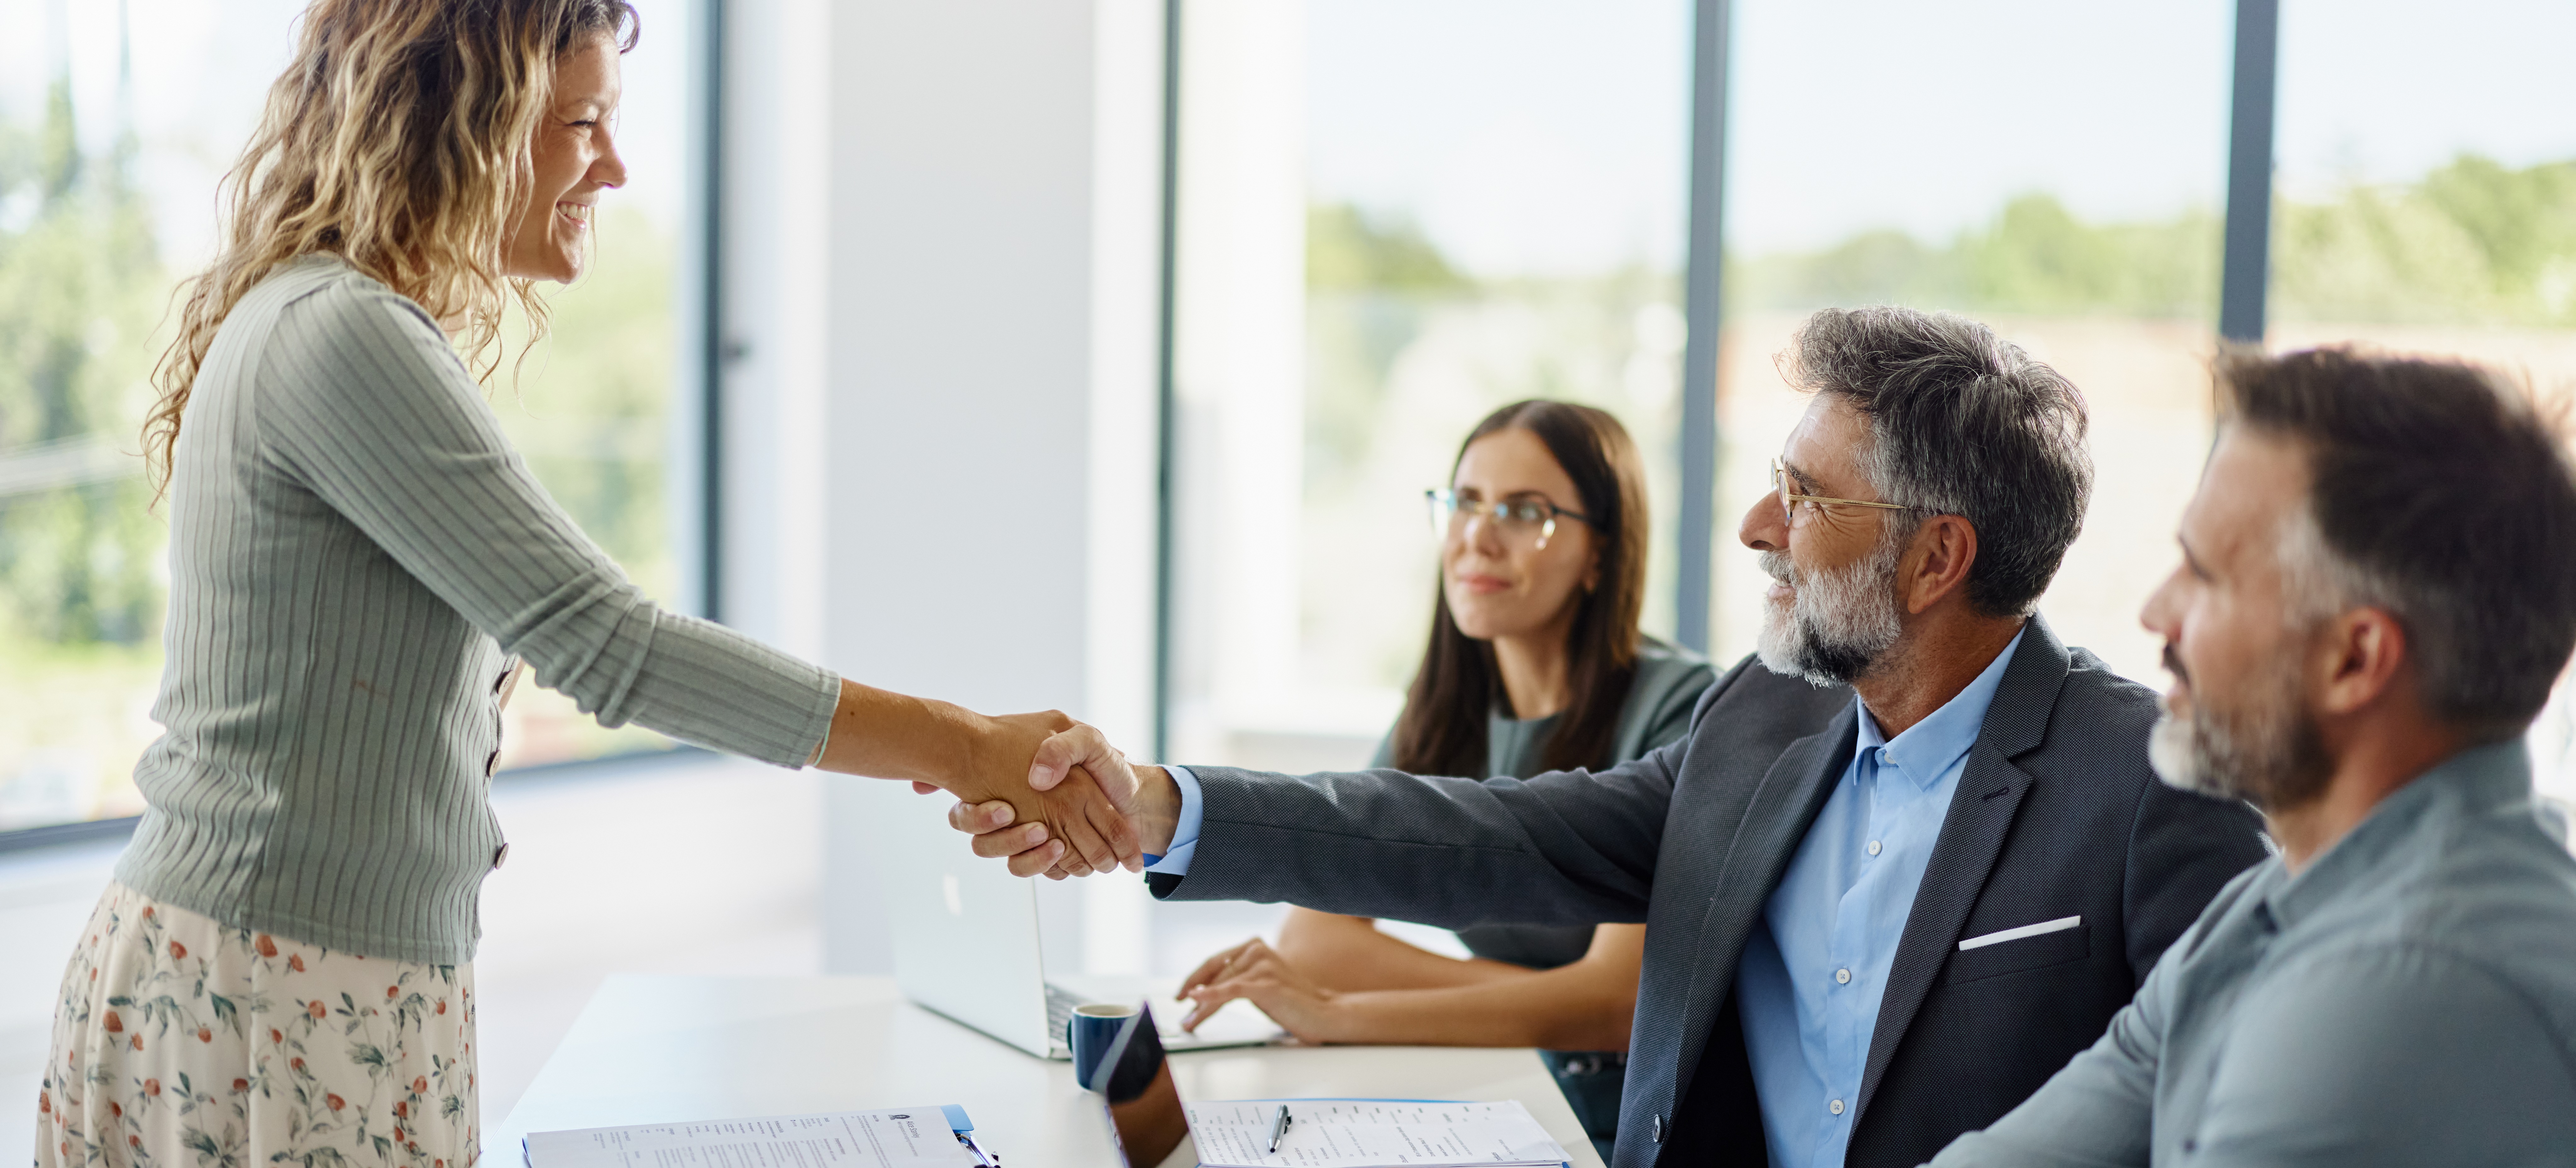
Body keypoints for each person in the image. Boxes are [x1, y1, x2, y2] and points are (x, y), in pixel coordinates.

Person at [31, 5, 1131, 1168]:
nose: (614, 165)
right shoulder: (341, 334)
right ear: (463, 120)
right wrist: (966, 744)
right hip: (269, 990)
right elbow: (612, 644)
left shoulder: (337, 319)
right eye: (583, 123)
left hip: (295, 975)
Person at [960, 306, 2273, 1168]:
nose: (1755, 528)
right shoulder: (1761, 719)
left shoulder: (2151, 778)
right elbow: (1491, 833)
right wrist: (1157, 804)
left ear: (1936, 556)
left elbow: (2220, 1121)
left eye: (1803, 495)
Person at [1927, 348, 2576, 1167]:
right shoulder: (2278, 902)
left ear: (2354, 659)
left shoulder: (2407, 991)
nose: (2157, 611)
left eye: (2204, 575)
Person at [1177, 400, 1716, 1161]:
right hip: (1495, 1083)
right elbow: (1315, 938)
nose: (1477, 536)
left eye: (1524, 511)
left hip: (1624, 1127)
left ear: (1602, 551)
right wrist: (1541, 1005)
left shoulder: (1684, 712)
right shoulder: (1445, 712)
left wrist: (1341, 1011)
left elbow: (1617, 1004)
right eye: (1464, 501)